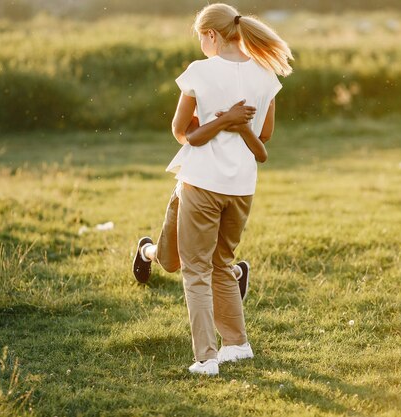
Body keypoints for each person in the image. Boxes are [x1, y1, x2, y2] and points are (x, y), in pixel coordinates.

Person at [131, 3, 293, 376]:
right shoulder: (267, 74)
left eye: (199, 37)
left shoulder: (199, 72)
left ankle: (207, 358)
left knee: (197, 270)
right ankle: (237, 345)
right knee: (209, 262)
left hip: (201, 184)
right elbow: (265, 136)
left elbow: (180, 131)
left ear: (211, 35)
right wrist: (230, 123)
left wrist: (217, 122)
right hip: (241, 187)